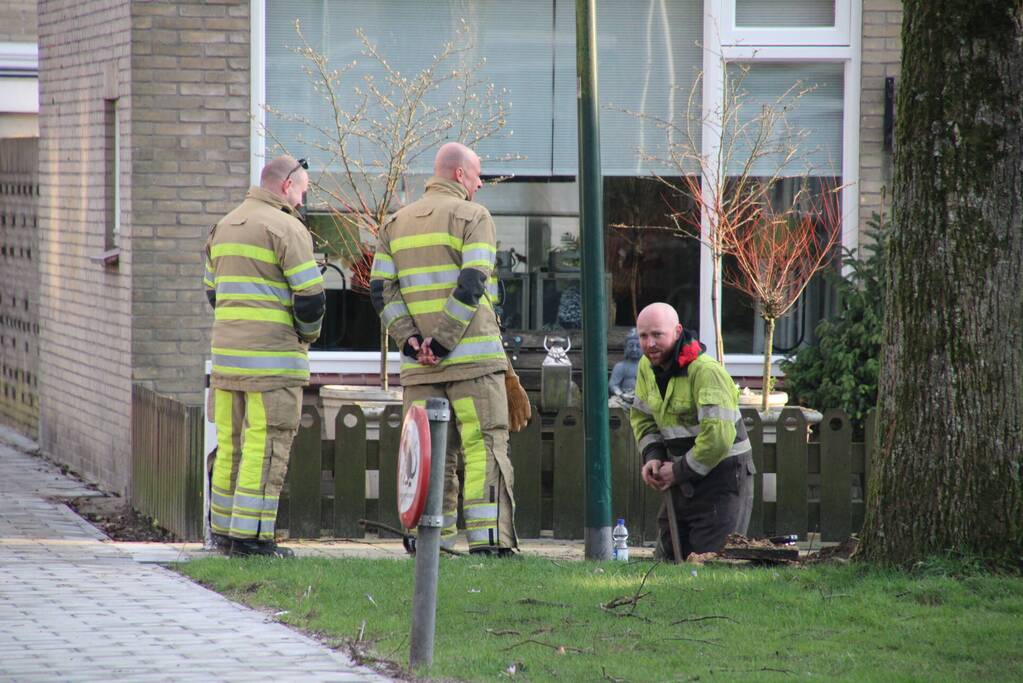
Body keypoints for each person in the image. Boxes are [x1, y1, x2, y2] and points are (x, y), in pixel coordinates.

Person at [369, 142, 530, 556]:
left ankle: (430, 546)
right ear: (459, 175)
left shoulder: (394, 224)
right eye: (477, 175)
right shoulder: (473, 217)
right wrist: (440, 342)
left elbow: (380, 292)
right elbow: (473, 281)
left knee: (427, 456)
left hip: (419, 370)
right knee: (484, 449)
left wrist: (411, 341)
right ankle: (489, 542)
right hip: (472, 363)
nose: (480, 183)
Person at [202, 156, 325, 558]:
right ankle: (253, 538)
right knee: (266, 445)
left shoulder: (225, 225)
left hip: (227, 362)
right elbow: (310, 299)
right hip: (272, 364)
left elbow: (212, 294)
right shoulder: (286, 227)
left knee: (232, 445)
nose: (303, 200)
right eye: (303, 190)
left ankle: (222, 532)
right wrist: (305, 338)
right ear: (287, 185)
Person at [630, 302, 754, 561]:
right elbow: (642, 416)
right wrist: (653, 456)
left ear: (677, 331)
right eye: (643, 336)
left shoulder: (706, 372)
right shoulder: (646, 367)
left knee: (710, 565)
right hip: (683, 477)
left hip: (723, 478)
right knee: (668, 561)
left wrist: (676, 472)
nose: (650, 343)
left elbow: (718, 440)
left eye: (657, 335)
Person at [608, 328, 642, 408]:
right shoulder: (620, 366)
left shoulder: (649, 366)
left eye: (638, 346)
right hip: (624, 397)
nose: (634, 349)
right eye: (631, 346)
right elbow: (613, 385)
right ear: (625, 348)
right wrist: (621, 394)